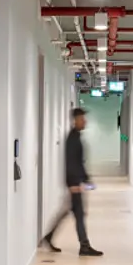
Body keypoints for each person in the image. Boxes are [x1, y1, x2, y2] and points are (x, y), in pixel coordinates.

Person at [41, 107, 101, 256]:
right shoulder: (72, 139)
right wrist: (73, 183)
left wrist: (86, 178)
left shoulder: (76, 136)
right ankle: (84, 246)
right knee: (79, 214)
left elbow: (79, 162)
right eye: (82, 119)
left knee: (70, 212)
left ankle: (49, 237)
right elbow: (71, 162)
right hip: (74, 184)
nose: (84, 121)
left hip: (76, 182)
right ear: (75, 121)